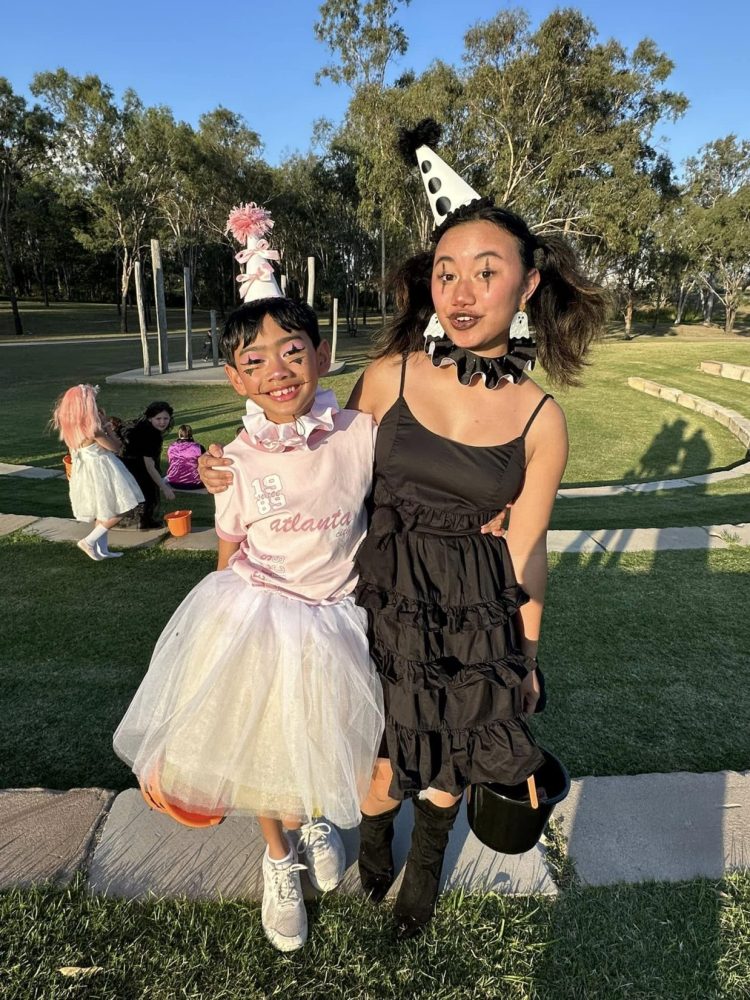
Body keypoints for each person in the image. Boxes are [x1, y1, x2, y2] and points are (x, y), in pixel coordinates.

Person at [199, 121, 608, 939]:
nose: (461, 292)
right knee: (378, 764)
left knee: (453, 762)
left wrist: (524, 657)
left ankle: (423, 875)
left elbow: (528, 549)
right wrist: (229, 467)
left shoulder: (542, 420)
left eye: (486, 272)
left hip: (473, 613)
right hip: (376, 600)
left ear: (528, 284)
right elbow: (316, 458)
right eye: (446, 272)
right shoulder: (388, 375)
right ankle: (376, 846)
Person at [113, 294, 384, 954]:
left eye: (293, 351)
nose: (278, 371)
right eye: (255, 361)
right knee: (261, 745)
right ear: (235, 379)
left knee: (319, 732)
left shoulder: (360, 433)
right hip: (260, 619)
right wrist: (220, 636)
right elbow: (229, 550)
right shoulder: (232, 460)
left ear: (322, 355)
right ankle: (278, 856)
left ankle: (316, 817)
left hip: (337, 621)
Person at [51, 384, 144, 561]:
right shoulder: (93, 429)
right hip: (102, 470)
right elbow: (115, 447)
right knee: (124, 507)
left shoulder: (72, 428)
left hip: (86, 472)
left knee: (104, 510)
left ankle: (102, 550)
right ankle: (89, 541)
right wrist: (108, 427)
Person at [121, 401, 176, 528]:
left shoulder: (144, 427)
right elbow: (150, 467)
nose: (162, 422)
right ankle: (144, 521)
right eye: (158, 419)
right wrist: (165, 488)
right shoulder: (151, 436)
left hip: (130, 464)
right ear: (150, 418)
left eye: (166, 418)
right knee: (147, 494)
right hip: (134, 468)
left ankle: (144, 521)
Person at [165, 424, 206, 490]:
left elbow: (171, 463)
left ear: (179, 434)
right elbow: (205, 464)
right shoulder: (198, 447)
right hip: (195, 484)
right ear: (191, 433)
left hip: (173, 483)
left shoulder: (171, 447)